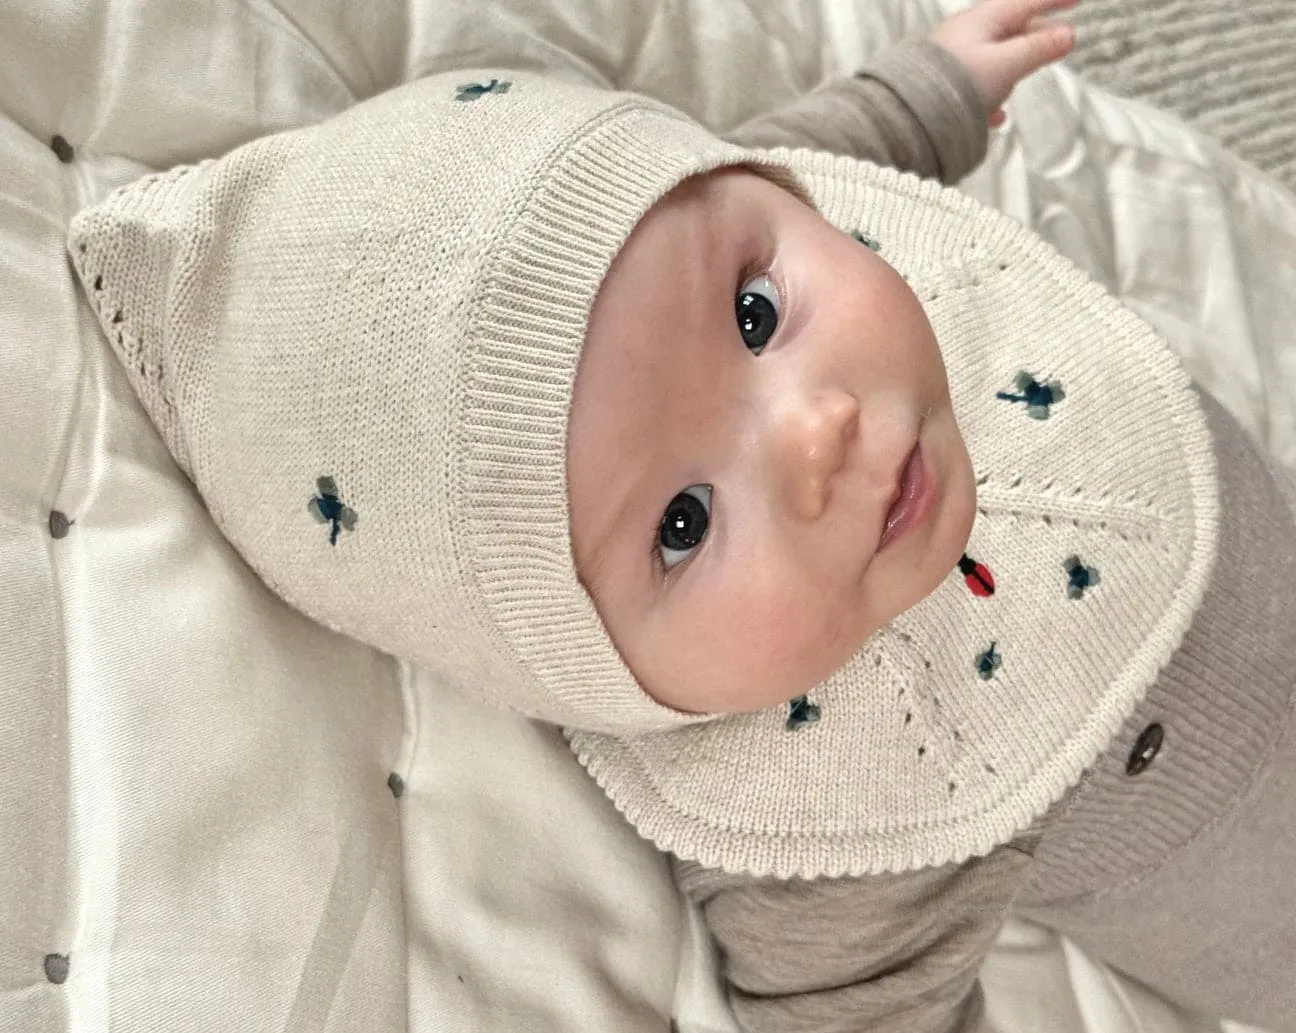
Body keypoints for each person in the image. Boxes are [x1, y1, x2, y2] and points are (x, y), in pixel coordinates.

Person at [64, 1, 1296, 1030]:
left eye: (758, 317)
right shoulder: (836, 831)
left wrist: (933, 90)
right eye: (683, 524)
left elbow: (801, 153)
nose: (815, 434)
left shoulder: (713, 240)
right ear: (588, 669)